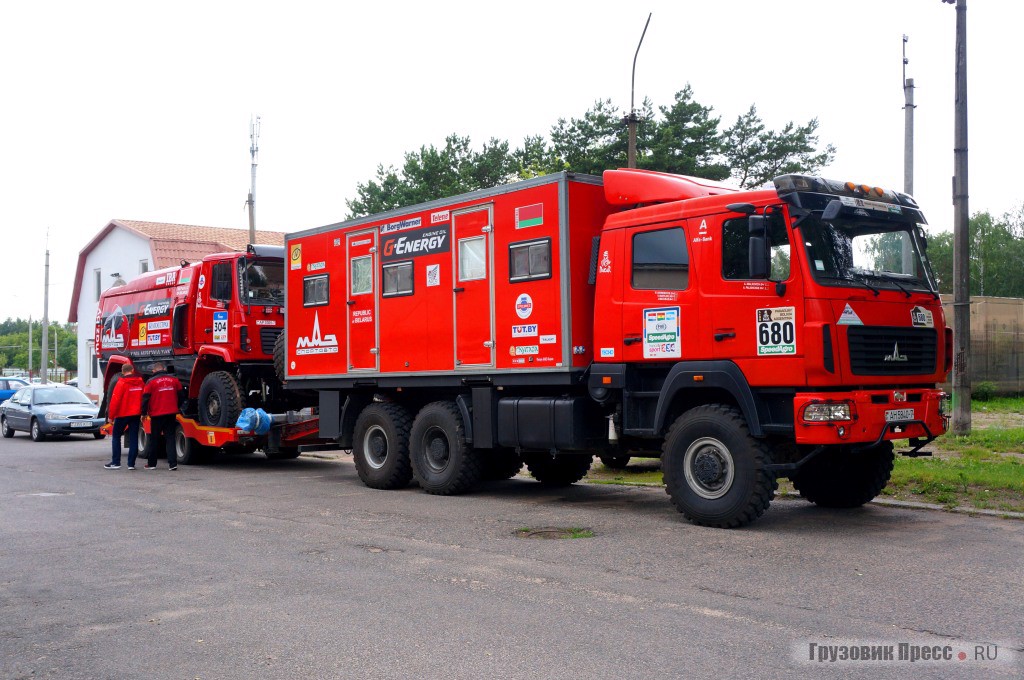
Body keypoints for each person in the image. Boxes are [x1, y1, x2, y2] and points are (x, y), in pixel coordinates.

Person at [141, 362, 185, 470]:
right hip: (171, 413)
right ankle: (173, 464)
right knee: (170, 438)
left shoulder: (150, 382)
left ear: (154, 371)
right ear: (164, 369)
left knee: (154, 439)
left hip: (156, 414)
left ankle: (152, 464)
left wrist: (143, 413)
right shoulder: (174, 380)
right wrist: (176, 406)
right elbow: (182, 396)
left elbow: (145, 399)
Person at [103, 363, 145, 470]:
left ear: (122, 372)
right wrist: (143, 412)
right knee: (134, 437)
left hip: (122, 414)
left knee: (116, 436)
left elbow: (115, 401)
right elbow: (144, 398)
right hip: (136, 414)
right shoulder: (140, 382)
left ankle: (116, 462)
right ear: (132, 370)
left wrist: (111, 416)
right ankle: (131, 464)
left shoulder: (121, 382)